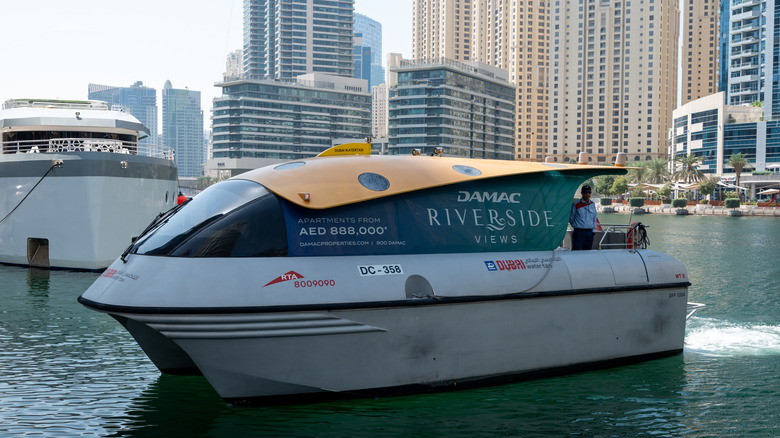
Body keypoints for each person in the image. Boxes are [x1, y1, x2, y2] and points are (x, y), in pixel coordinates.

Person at [569, 185, 597, 250]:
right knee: (576, 251)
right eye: (585, 192)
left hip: (590, 233)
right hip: (579, 233)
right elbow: (571, 218)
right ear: (582, 193)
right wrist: (577, 226)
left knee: (587, 253)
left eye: (589, 192)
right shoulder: (576, 204)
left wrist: (593, 230)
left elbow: (594, 218)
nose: (587, 194)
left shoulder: (592, 204)